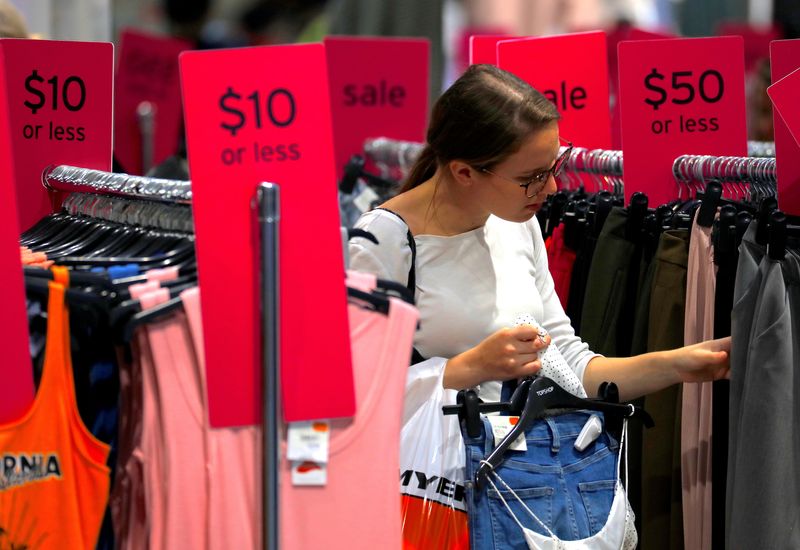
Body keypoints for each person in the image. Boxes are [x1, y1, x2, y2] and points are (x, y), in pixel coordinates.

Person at [349, 64, 730, 404]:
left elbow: (571, 369)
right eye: (529, 178)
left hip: (516, 475)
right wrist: (470, 368)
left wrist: (679, 364)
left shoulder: (517, 222)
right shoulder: (384, 239)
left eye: (553, 167)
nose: (550, 189)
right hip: (427, 477)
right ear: (464, 172)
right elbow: (361, 391)